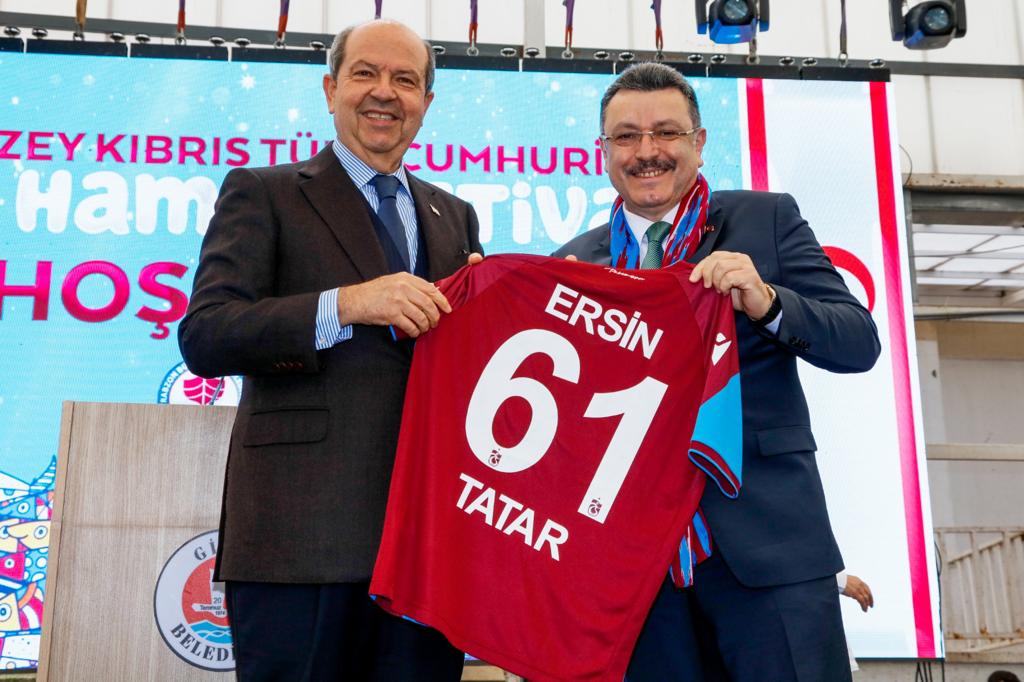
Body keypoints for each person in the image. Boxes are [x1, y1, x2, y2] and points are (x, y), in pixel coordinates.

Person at [554, 62, 881, 681]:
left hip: (770, 551)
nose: (646, 152)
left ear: (699, 142)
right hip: (634, 573)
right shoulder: (573, 262)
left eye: (666, 132)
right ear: (603, 151)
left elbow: (857, 341)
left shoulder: (767, 220)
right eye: (626, 136)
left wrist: (769, 302)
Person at [179, 19, 481, 681]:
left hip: (428, 553)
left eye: (405, 80)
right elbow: (207, 334)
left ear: (426, 103)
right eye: (365, 73)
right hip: (300, 541)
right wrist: (343, 306)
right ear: (330, 89)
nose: (385, 92)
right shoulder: (264, 192)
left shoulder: (455, 216)